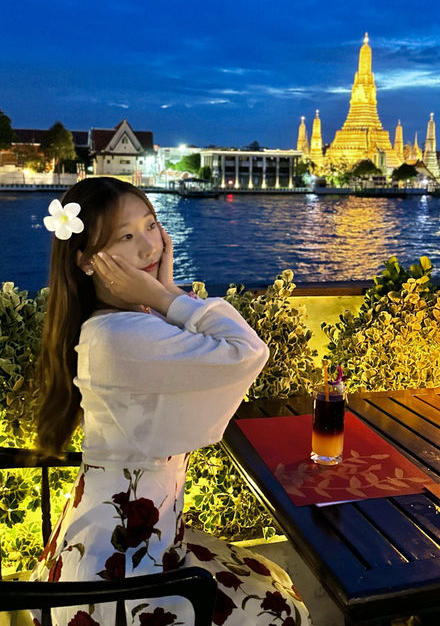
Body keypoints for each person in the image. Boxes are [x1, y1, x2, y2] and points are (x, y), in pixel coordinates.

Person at [31, 177, 311, 626]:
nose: (150, 247)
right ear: (85, 261)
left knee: (273, 589)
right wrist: (164, 295)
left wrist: (161, 298)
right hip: (118, 571)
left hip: (130, 541)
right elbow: (247, 351)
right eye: (126, 236)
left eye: (151, 226)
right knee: (279, 611)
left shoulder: (119, 324)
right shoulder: (123, 336)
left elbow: (210, 342)